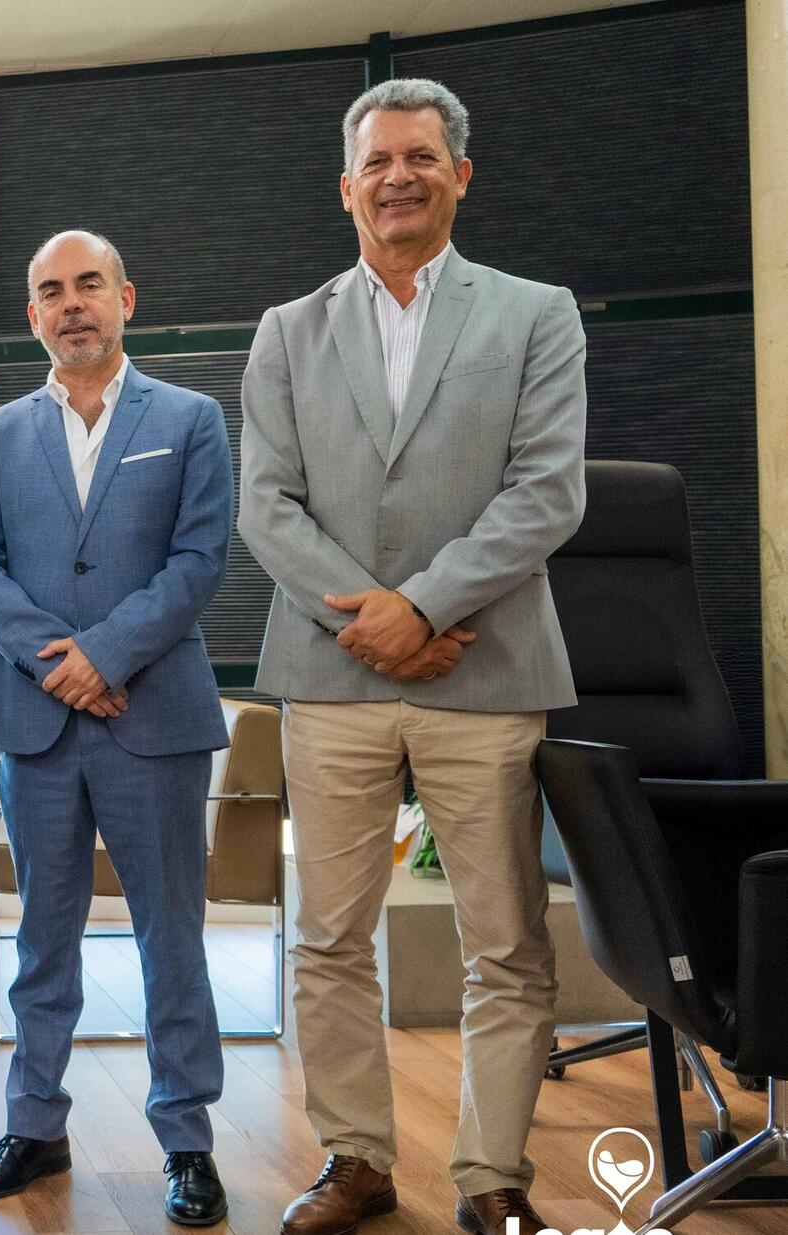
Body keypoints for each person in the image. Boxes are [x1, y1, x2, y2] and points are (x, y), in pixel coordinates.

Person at [238, 79, 586, 1235]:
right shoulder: (286, 330)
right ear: (345, 187)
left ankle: (491, 1175)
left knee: (505, 941)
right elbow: (265, 506)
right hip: (330, 676)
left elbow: (545, 492)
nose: (398, 176)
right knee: (327, 934)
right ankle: (356, 1157)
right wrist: (376, 621)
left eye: (420, 157)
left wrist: (423, 605)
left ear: (459, 176)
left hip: (483, 671)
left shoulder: (536, 313)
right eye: (377, 160)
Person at [0, 230, 233, 1224]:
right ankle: (33, 1122)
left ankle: (186, 1137)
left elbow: (198, 561)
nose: (70, 304)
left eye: (87, 286)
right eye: (48, 292)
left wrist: (103, 656)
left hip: (152, 714)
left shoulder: (189, 418)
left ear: (125, 298)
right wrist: (57, 664)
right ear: (31, 316)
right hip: (36, 723)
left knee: (170, 933)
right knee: (42, 934)